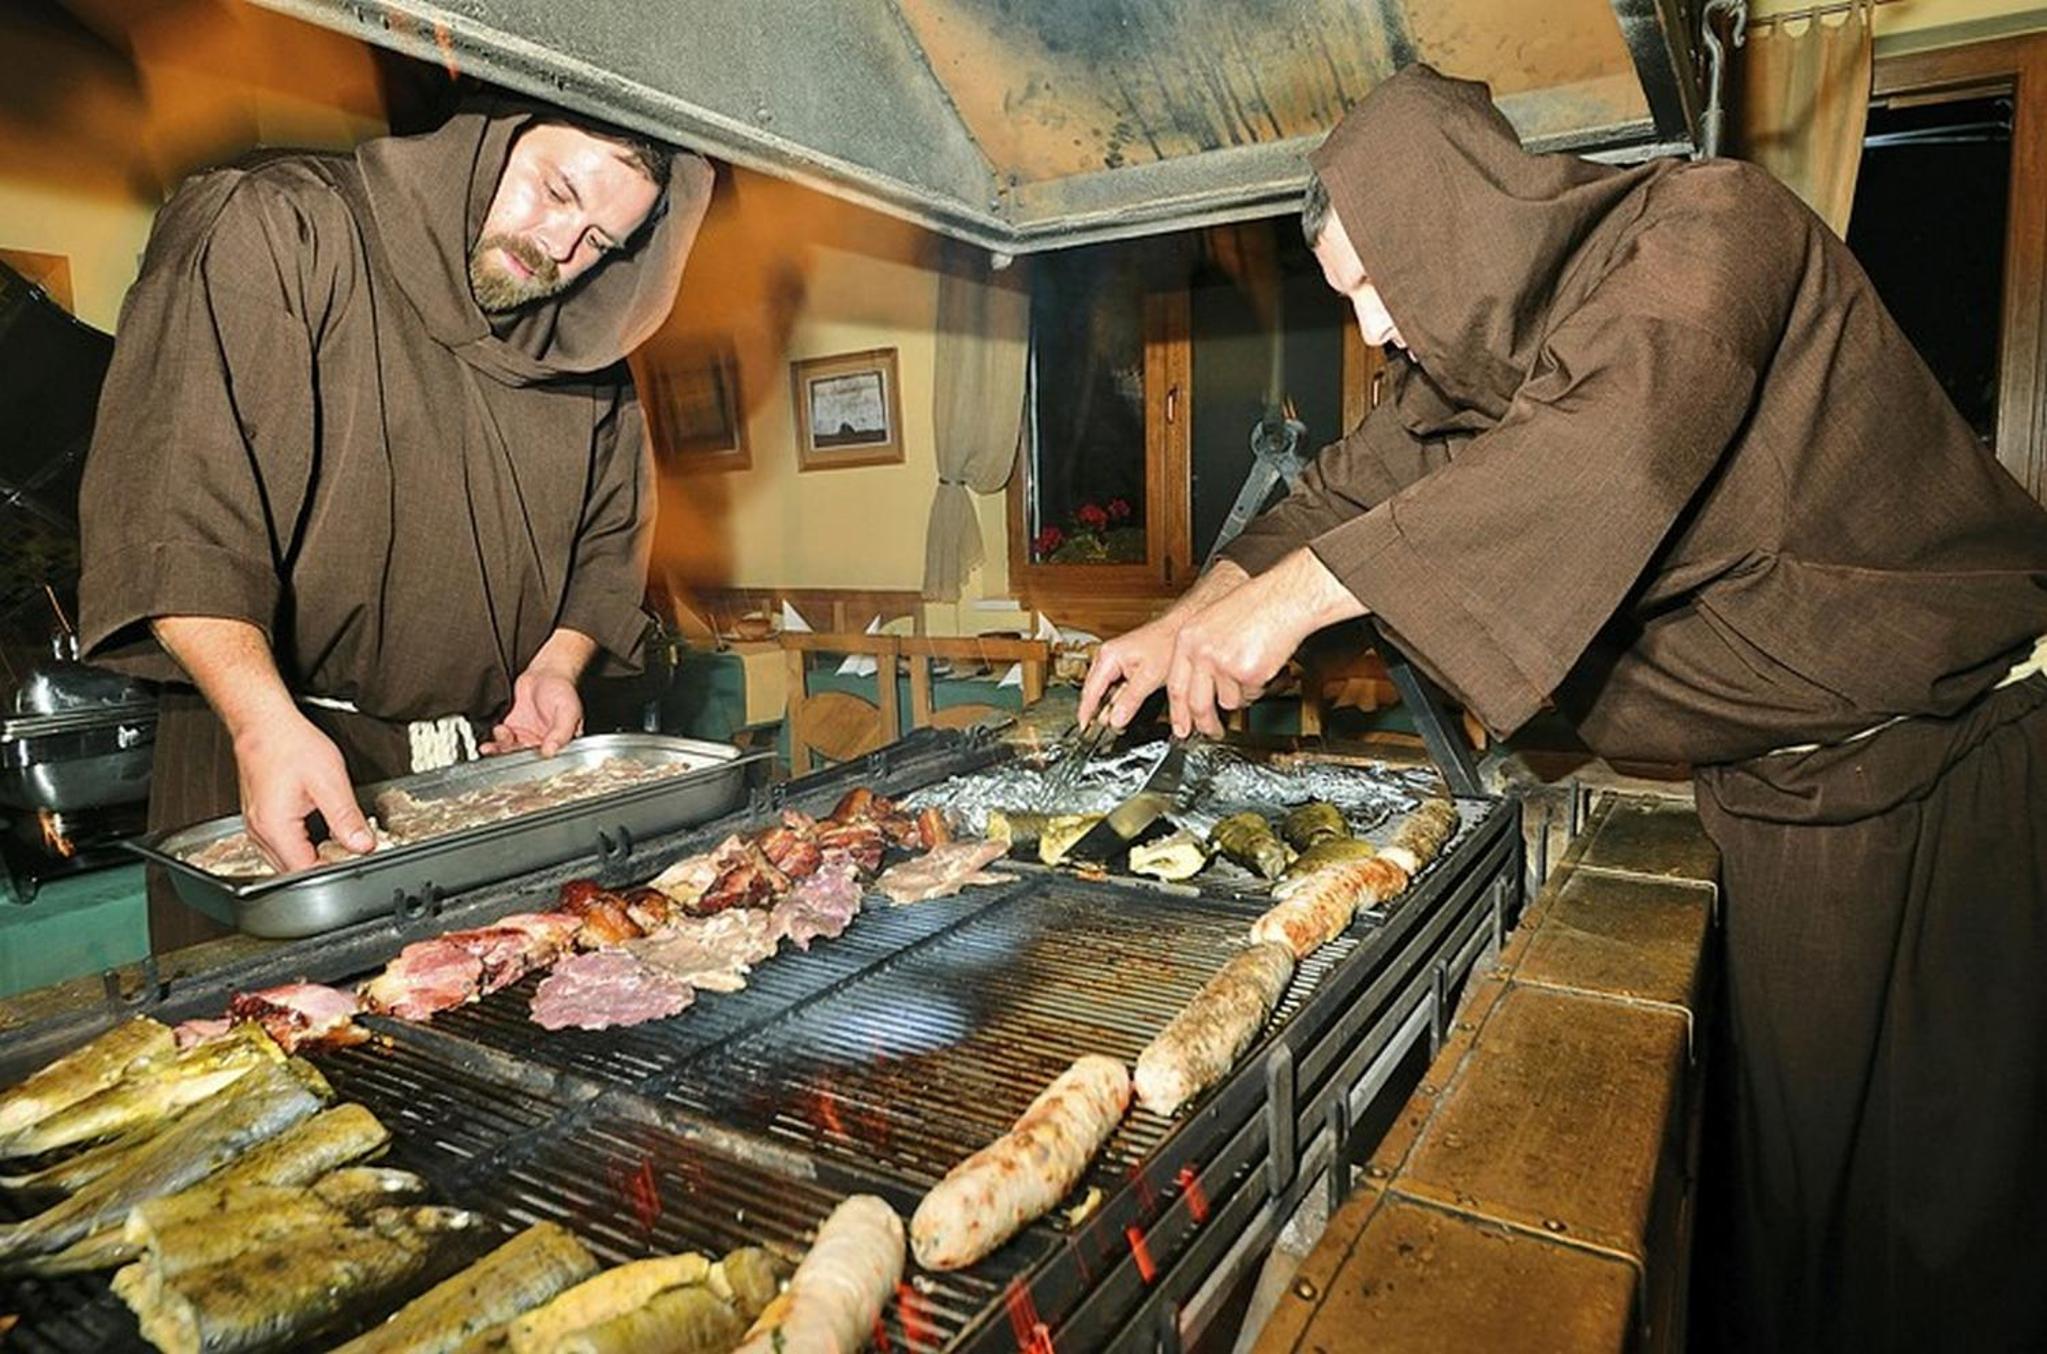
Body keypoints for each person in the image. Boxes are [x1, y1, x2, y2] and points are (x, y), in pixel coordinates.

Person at [1079, 64, 2047, 1352]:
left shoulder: (1713, 230)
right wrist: (1187, 615)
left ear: (1456, 223)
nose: (1369, 329)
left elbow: (1610, 446)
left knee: (1929, 1229)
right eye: (1347, 297)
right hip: (1783, 798)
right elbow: (1331, 496)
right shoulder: (1463, 375)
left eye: (1375, 283)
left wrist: (1290, 608)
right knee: (1785, 1208)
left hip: (1950, 783)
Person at [77, 99, 713, 951]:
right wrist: (260, 719)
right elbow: (177, 505)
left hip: (483, 769)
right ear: (488, 138)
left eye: (599, 241)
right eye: (555, 191)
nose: (560, 249)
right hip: (275, 745)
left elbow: (611, 538)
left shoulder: (580, 336)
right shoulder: (282, 224)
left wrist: (556, 666)